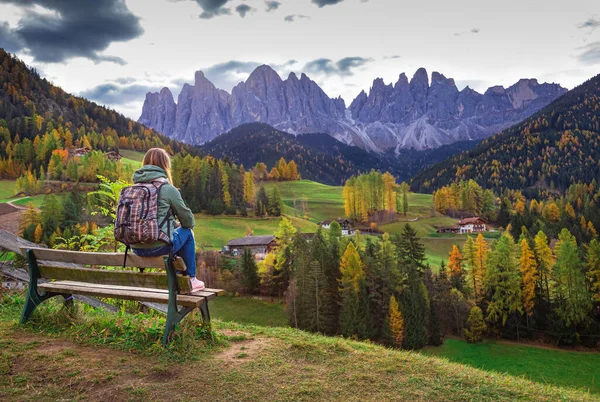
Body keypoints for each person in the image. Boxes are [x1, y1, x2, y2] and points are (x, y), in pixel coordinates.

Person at [130, 148, 205, 291]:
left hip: (136, 248)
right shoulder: (167, 189)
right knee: (187, 233)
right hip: (159, 247)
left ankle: (179, 277)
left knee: (173, 234)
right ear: (165, 166)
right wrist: (176, 224)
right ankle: (191, 279)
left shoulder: (133, 188)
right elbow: (188, 221)